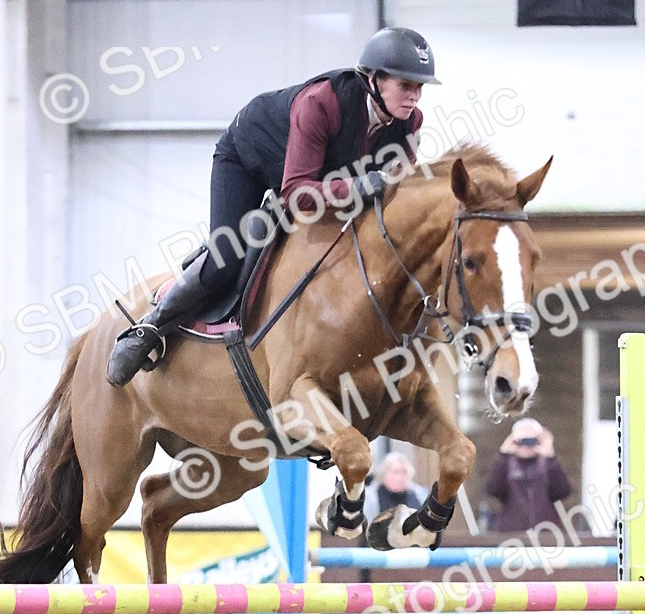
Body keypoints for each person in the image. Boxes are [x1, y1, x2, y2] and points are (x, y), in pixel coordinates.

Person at [106, 27, 440, 387]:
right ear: (373, 79)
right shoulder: (322, 102)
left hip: (315, 178)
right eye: (406, 86)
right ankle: (150, 327)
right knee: (227, 258)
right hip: (247, 159)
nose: (414, 97)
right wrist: (362, 185)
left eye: (419, 88)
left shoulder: (410, 123)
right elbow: (295, 192)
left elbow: (397, 193)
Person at [485, 417, 572, 533]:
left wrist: (550, 458)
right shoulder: (506, 465)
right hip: (512, 535)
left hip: (546, 536)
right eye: (521, 441)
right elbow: (493, 490)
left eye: (531, 441)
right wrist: (503, 456)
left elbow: (563, 491)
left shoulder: (549, 465)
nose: (526, 446)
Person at [364, 451, 429, 523]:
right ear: (384, 474)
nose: (399, 478)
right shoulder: (369, 499)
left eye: (403, 472)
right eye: (395, 472)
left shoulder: (420, 495)